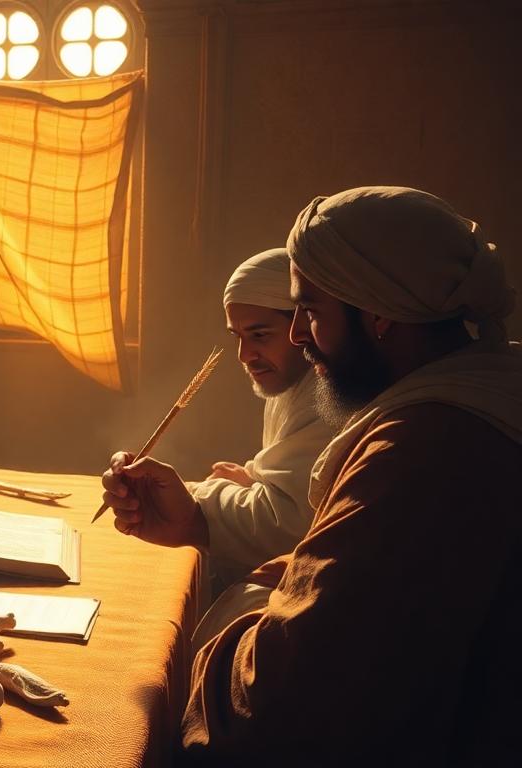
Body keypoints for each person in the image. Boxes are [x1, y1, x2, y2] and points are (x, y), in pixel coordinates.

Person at [102, 186, 522, 764]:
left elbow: (277, 698)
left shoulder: (421, 452)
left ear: (378, 313)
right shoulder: (464, 403)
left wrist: (227, 618)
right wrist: (204, 521)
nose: (298, 334)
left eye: (312, 310)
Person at [191, 248, 335, 597]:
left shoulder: (328, 396)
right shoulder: (287, 386)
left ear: (303, 326)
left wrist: (194, 498)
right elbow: (281, 478)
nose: (245, 356)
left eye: (259, 335)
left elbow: (286, 527)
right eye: (238, 337)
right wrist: (253, 483)